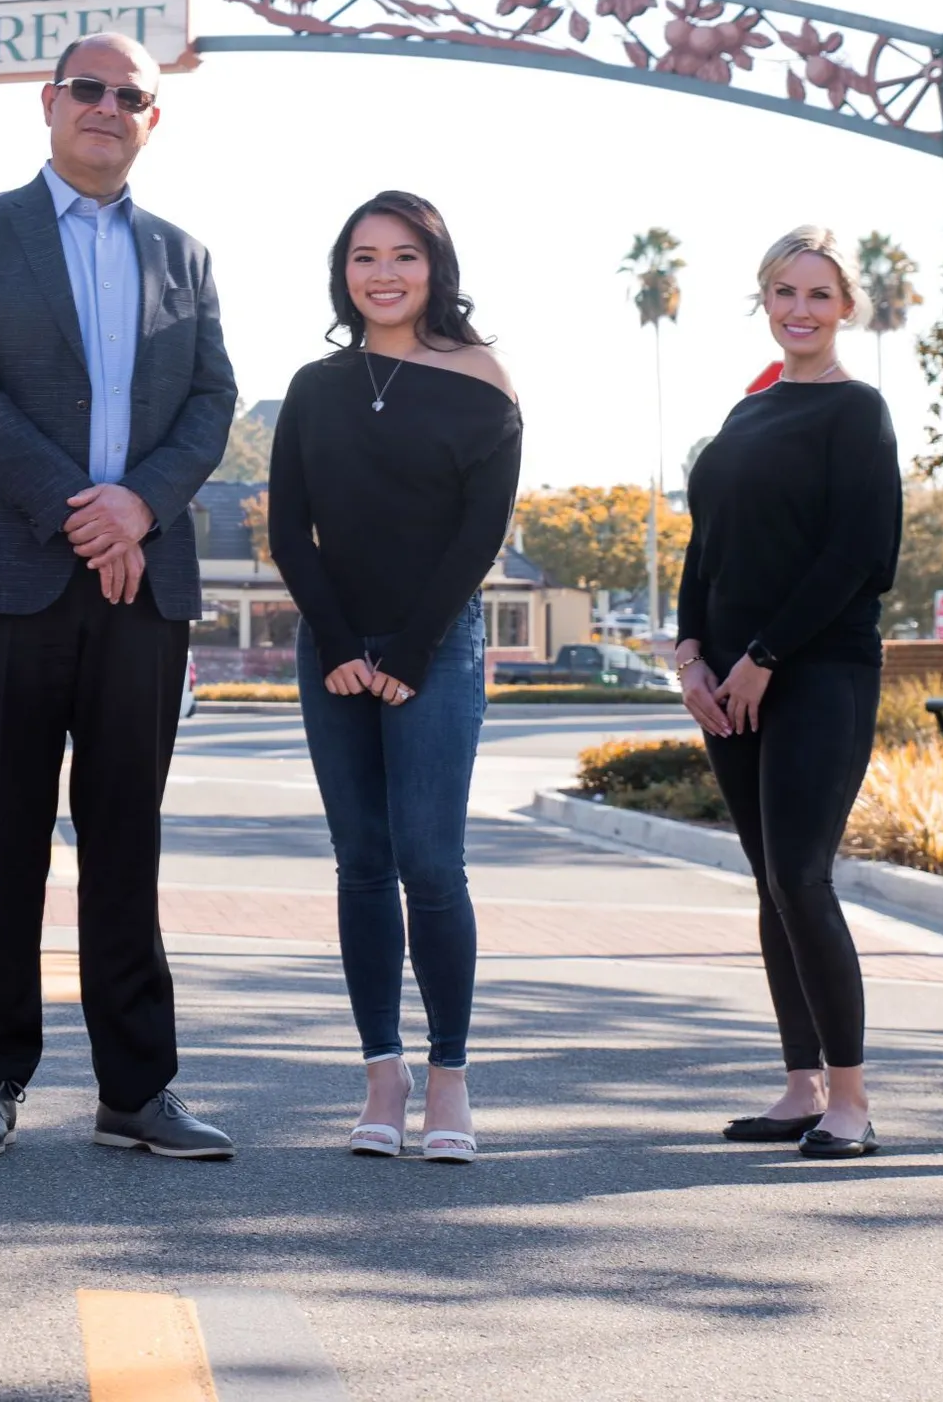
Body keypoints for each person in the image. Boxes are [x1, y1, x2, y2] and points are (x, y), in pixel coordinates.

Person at [0, 32, 239, 1160]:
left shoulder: (184, 256)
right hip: (4, 584)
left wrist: (137, 509)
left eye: (131, 95)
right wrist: (78, 508)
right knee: (3, 834)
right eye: (89, 89)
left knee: (126, 838)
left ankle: (137, 1090)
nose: (108, 106)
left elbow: (212, 398)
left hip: (142, 586)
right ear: (48, 102)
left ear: (155, 118)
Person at [266, 193, 520, 1162]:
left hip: (436, 646)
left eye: (403, 256)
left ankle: (450, 1077)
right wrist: (336, 644)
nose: (383, 273)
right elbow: (291, 528)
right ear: (344, 271)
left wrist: (409, 651)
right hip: (330, 646)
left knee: (429, 862)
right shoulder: (315, 384)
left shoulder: (483, 378)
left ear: (434, 268)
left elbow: (480, 533)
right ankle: (382, 1071)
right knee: (361, 863)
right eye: (364, 256)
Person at [674, 226, 901, 1160]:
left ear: (847, 306)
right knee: (771, 880)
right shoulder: (748, 413)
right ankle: (800, 1084)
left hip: (819, 673)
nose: (799, 310)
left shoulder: (859, 411)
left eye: (818, 294)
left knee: (803, 876)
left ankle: (851, 1100)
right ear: (763, 301)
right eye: (783, 292)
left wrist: (764, 653)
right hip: (728, 679)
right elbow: (707, 543)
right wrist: (693, 654)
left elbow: (861, 556)